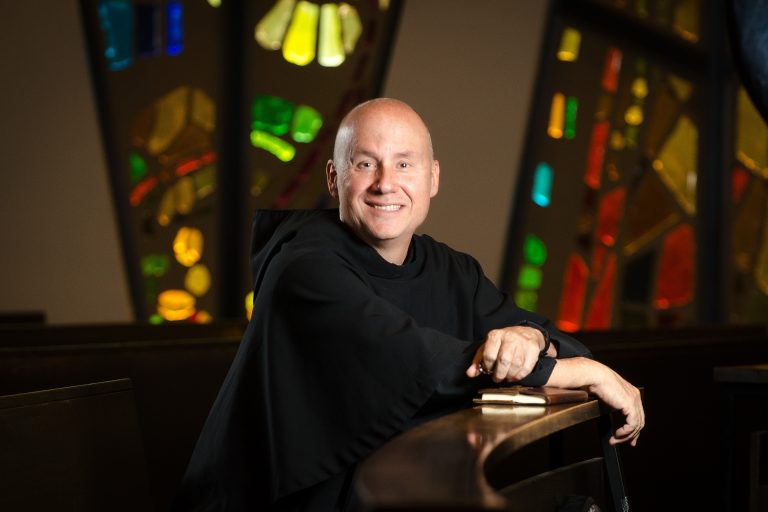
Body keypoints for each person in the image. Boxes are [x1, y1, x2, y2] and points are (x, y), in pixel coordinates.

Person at [174, 98, 644, 512]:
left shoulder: (449, 268)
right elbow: (414, 357)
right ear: (334, 179)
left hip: (387, 492)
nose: (386, 183)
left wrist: (530, 337)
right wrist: (585, 372)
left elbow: (548, 334)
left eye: (404, 164)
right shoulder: (303, 265)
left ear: (433, 178)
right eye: (366, 164)